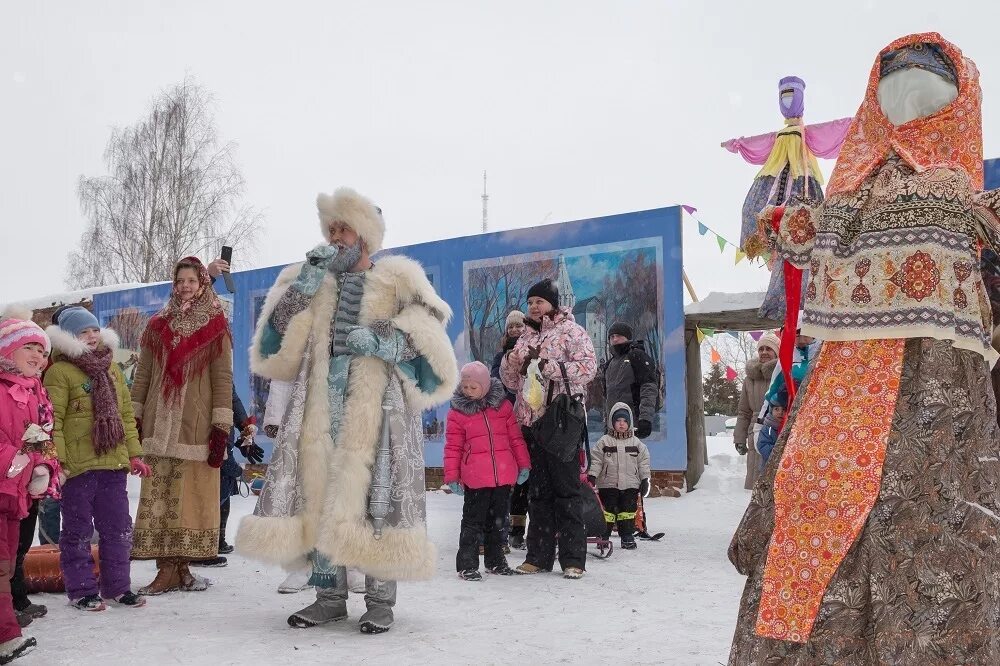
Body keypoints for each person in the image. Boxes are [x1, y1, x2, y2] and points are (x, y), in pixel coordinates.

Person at [728, 33, 1000, 662]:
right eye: (890, 89)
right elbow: (795, 235)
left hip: (939, 399)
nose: (904, 100)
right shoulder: (847, 197)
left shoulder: (962, 196)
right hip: (842, 395)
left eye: (926, 92)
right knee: (815, 512)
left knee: (935, 536)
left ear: (958, 104)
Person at [236, 187, 458, 634]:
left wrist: (386, 341)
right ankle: (329, 598)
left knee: (377, 500)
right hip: (319, 410)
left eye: (345, 228)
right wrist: (301, 289)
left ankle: (379, 602)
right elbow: (274, 348)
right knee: (320, 496)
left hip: (379, 415)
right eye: (331, 228)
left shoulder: (399, 280)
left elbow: (434, 352)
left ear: (366, 236)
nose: (336, 237)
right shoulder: (311, 282)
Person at [130, 257, 234, 595]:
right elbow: (143, 374)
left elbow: (223, 378)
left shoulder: (216, 324)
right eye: (180, 281)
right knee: (161, 498)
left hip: (196, 426)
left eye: (192, 280)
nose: (186, 286)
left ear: (203, 283)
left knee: (189, 499)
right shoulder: (158, 323)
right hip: (159, 426)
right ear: (174, 285)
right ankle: (166, 569)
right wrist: (135, 415)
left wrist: (221, 424)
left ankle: (182, 568)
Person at [43, 306, 150, 611]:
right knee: (76, 532)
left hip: (112, 464)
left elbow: (126, 416)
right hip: (77, 469)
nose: (90, 336)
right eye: (82, 332)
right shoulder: (59, 372)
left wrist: (134, 453)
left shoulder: (111, 368)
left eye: (93, 330)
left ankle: (117, 587)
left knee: (118, 529)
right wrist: (60, 464)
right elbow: (54, 423)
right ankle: (81, 590)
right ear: (68, 338)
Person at [500, 278, 597, 579]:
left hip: (561, 423)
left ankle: (573, 560)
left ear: (553, 303)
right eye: (530, 303)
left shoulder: (572, 331)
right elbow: (512, 383)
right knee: (537, 494)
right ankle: (538, 557)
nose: (533, 307)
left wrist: (547, 366)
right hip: (530, 423)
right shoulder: (526, 337)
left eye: (538, 301)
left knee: (566, 492)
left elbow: (589, 368)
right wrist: (511, 361)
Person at [0, 308, 62, 663]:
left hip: (15, 495)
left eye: (42, 350)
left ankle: (7, 634)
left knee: (8, 564)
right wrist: (17, 461)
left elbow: (42, 436)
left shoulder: (35, 392)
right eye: (30, 347)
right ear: (7, 351)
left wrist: (45, 468)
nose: (39, 355)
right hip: (4, 485)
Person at [444, 362, 530, 580]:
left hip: (502, 477)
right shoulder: (458, 412)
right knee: (473, 523)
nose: (469, 392)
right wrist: (452, 476)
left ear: (484, 385)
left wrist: (523, 465)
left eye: (474, 387)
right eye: (465, 387)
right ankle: (467, 564)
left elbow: (515, 439)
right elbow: (453, 447)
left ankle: (496, 561)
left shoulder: (502, 407)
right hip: (476, 478)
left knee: (499, 523)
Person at [600, 321, 659, 539]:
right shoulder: (609, 364)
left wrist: (645, 417)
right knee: (612, 472)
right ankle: (615, 518)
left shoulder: (636, 357)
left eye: (619, 336)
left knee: (631, 473)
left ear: (628, 337)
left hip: (632, 422)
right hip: (612, 425)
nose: (615, 340)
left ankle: (636, 519)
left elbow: (648, 386)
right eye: (612, 336)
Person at [587, 403, 650, 550]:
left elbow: (643, 463)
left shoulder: (637, 443)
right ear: (612, 422)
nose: (621, 424)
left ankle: (627, 535)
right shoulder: (604, 441)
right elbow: (596, 460)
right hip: (608, 484)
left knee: (627, 511)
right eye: (618, 421)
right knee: (608, 511)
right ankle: (603, 535)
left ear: (629, 423)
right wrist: (592, 475)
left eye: (625, 421)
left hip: (630, 485)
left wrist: (645, 479)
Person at [489, 310, 525, 549]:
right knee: (507, 478)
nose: (514, 330)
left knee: (525, 479)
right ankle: (503, 530)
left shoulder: (532, 351)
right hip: (505, 421)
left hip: (527, 420)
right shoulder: (499, 357)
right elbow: (494, 384)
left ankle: (519, 530)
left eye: (518, 326)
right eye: (510, 326)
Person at [733, 332, 779, 489]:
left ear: (777, 352)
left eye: (769, 349)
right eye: (761, 349)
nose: (764, 352)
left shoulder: (783, 373)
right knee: (756, 480)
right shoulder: (749, 379)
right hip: (756, 432)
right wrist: (739, 438)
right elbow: (743, 412)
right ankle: (757, 512)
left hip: (777, 429)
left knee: (776, 478)